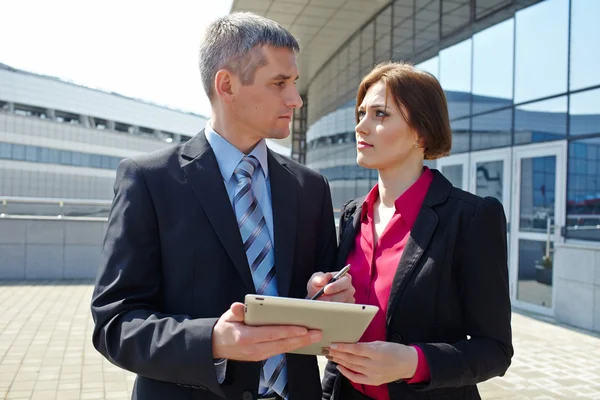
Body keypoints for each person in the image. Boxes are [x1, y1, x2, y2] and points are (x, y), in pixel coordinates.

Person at [91, 12, 354, 400]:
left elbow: (319, 299)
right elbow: (114, 324)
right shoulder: (149, 180)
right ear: (226, 84)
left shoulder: (310, 186)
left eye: (294, 83)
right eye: (280, 83)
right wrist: (211, 340)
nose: (295, 99)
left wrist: (326, 293)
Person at [321, 62, 513, 400]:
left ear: (420, 133)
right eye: (361, 113)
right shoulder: (353, 215)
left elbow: (495, 350)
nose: (361, 127)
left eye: (380, 115)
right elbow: (344, 334)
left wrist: (414, 362)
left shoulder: (471, 218)